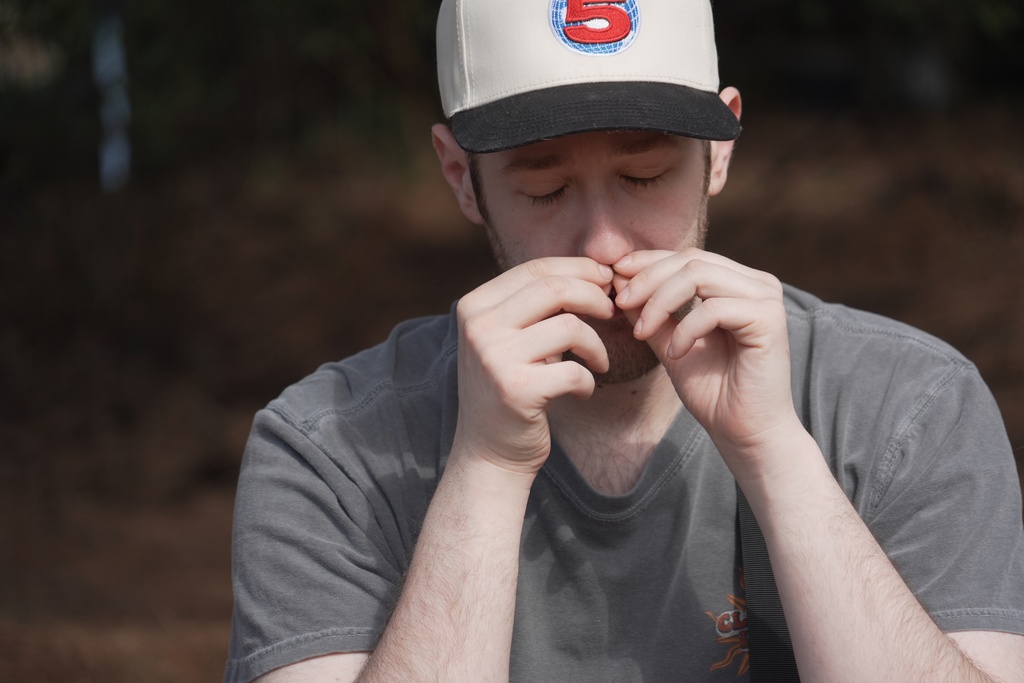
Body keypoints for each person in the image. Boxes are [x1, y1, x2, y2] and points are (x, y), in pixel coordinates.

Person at [225, 0, 1024, 680]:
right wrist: (486, 469)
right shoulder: (329, 450)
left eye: (644, 177)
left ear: (720, 151)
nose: (604, 242)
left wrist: (776, 451)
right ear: (461, 177)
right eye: (545, 185)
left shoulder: (909, 404)